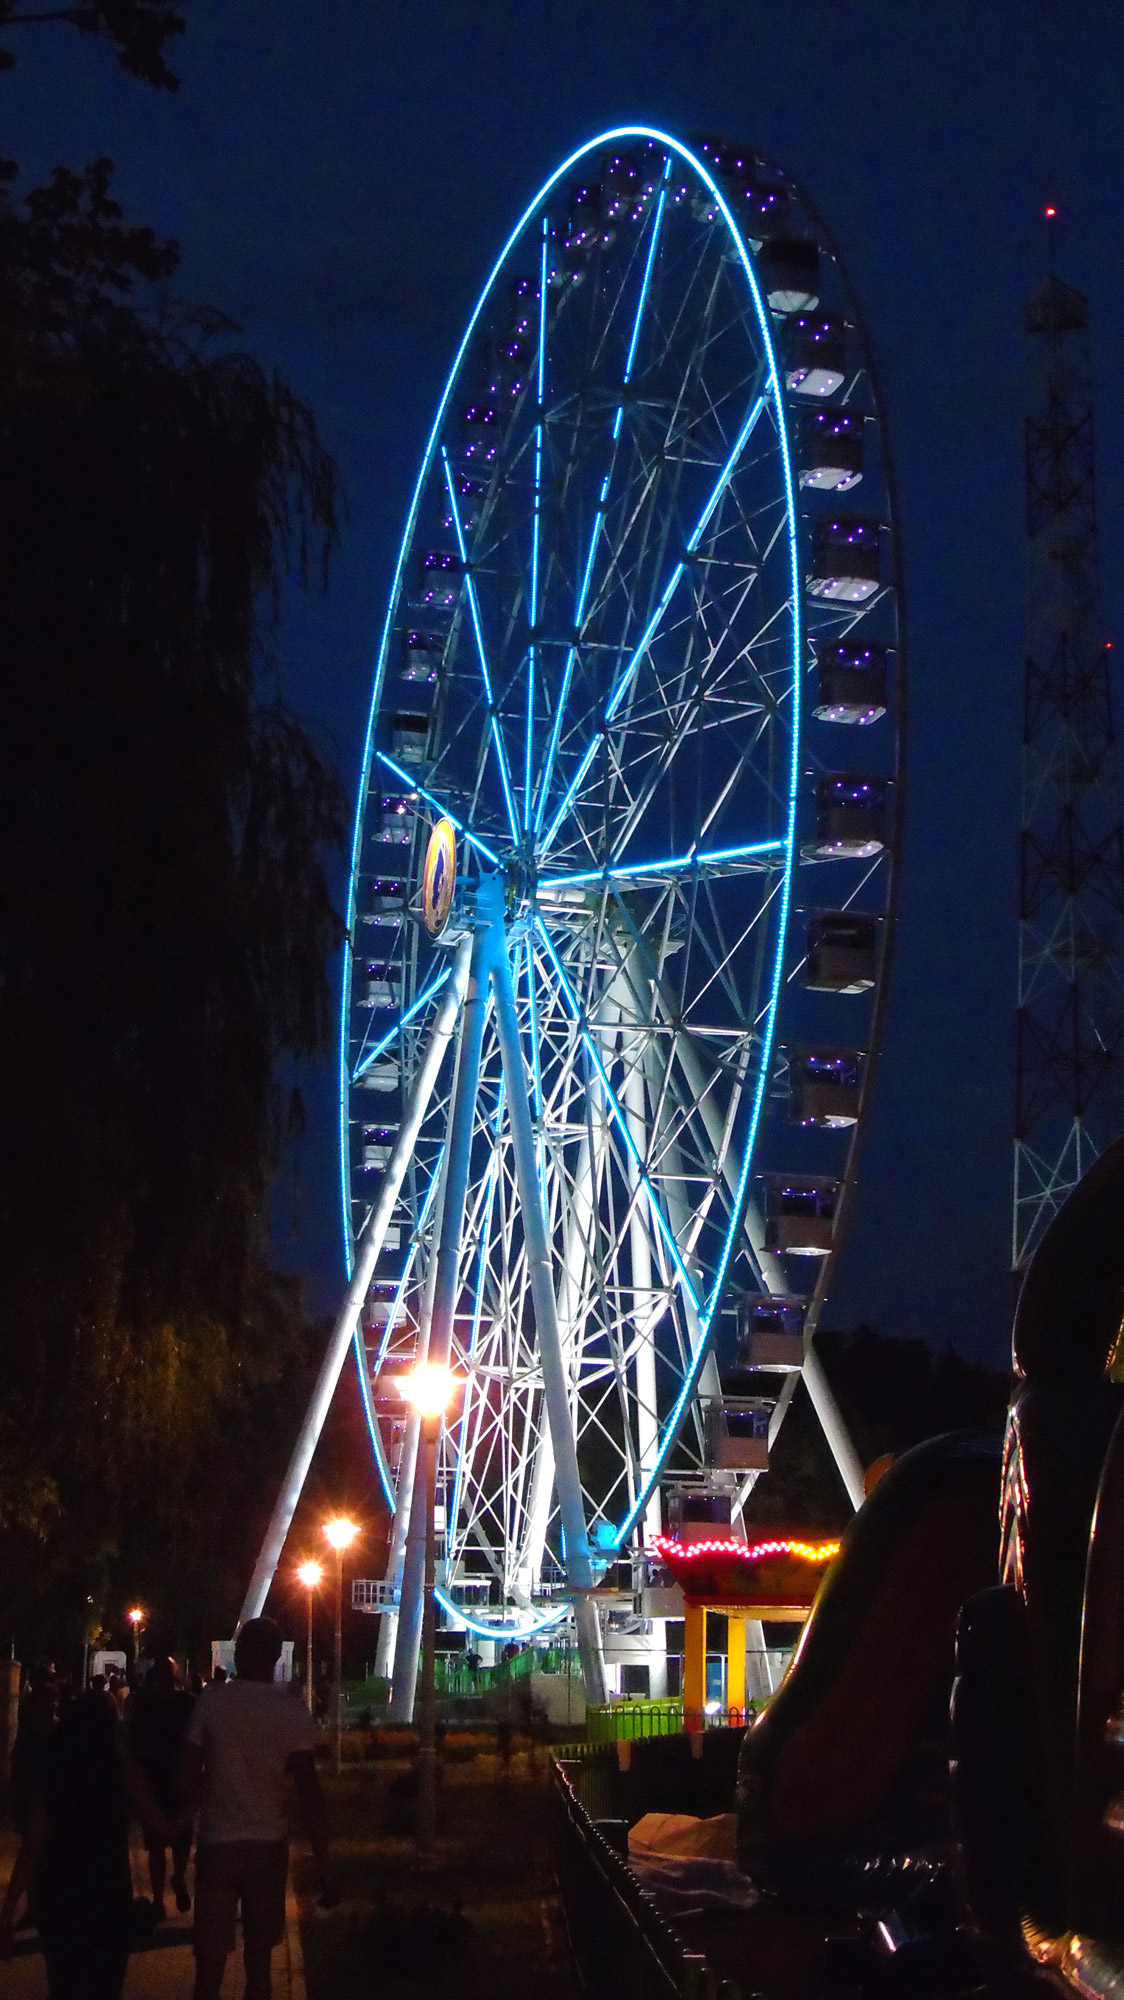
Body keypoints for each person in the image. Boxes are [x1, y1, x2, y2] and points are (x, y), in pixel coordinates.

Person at [179, 1617, 333, 2000]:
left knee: (210, 1968)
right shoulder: (291, 1712)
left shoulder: (212, 1701)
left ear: (239, 1654)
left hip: (218, 1844)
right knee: (260, 1965)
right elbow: (309, 1791)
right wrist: (324, 1862)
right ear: (278, 1656)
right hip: (268, 1847)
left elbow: (182, 1775)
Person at [0, 1688, 174, 1998]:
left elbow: (32, 1845)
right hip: (107, 1895)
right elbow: (158, 1824)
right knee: (104, 1985)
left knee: (64, 1983)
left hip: (58, 1896)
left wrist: (9, 1909)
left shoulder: (54, 1768)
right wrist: (195, 1806)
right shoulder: (120, 1768)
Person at [127, 1655, 195, 1918]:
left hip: (155, 1779)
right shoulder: (187, 1703)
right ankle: (175, 1879)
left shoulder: (144, 1703)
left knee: (157, 1843)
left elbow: (133, 1740)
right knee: (179, 1838)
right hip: (177, 1777)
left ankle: (158, 1897)